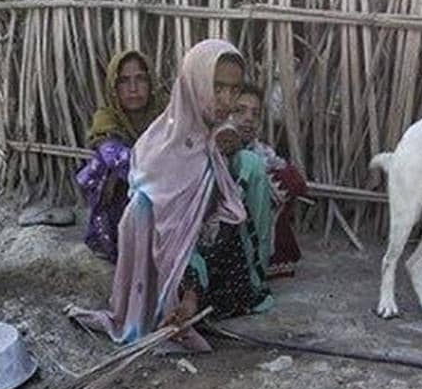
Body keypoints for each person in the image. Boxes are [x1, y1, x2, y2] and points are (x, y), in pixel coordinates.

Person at [66, 39, 273, 352]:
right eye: (217, 88)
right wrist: (188, 291)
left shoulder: (210, 139)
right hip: (163, 266)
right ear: (195, 83)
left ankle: (196, 299)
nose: (227, 100)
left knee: (237, 199)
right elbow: (162, 232)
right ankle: (177, 303)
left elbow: (218, 217)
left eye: (233, 90)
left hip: (199, 265)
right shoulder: (163, 145)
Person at [76, 49, 166, 262]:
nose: (133, 89)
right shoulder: (106, 118)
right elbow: (114, 156)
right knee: (106, 164)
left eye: (140, 79)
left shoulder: (166, 113)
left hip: (162, 194)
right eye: (124, 81)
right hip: (122, 194)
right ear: (114, 87)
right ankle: (110, 238)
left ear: (151, 82)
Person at [231, 83, 308, 278]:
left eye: (255, 114)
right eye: (240, 111)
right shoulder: (209, 152)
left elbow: (295, 179)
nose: (248, 119)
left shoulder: (260, 152)